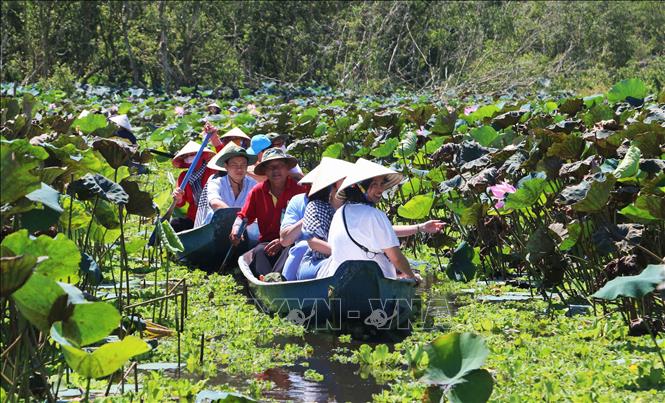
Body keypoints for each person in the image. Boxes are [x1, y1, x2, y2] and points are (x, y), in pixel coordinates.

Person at [317, 158, 444, 281]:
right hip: (375, 285)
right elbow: (396, 258)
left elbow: (379, 232)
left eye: (382, 183)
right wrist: (412, 277)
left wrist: (420, 227)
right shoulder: (374, 215)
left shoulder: (339, 213)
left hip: (341, 283)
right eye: (374, 184)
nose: (380, 189)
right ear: (360, 188)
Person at [231, 148, 308, 276]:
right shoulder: (258, 191)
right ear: (265, 171)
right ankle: (267, 279)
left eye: (280, 166)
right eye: (271, 167)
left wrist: (282, 241)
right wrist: (236, 229)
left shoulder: (300, 190)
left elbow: (309, 220)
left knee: (291, 249)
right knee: (259, 251)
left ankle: (276, 279)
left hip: (293, 240)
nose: (276, 171)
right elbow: (244, 216)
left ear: (287, 169)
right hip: (267, 243)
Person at [279, 157, 338, 281]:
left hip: (332, 252)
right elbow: (284, 240)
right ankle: (286, 282)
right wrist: (307, 218)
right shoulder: (299, 202)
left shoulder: (339, 203)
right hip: (308, 256)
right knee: (302, 246)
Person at [295, 158, 353, 280]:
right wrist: (347, 255)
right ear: (332, 183)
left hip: (352, 261)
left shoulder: (354, 207)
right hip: (318, 262)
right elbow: (313, 242)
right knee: (342, 267)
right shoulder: (315, 206)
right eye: (344, 178)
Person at [193, 142, 258, 228]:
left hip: (244, 228)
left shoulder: (253, 184)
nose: (239, 168)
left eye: (243, 164)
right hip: (216, 228)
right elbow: (215, 202)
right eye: (234, 165)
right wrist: (236, 221)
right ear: (226, 166)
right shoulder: (215, 183)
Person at [170, 140, 216, 232]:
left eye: (192, 155)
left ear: (201, 155)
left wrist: (215, 138)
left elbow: (224, 158)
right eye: (185, 156)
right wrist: (178, 198)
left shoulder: (212, 169)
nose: (188, 158)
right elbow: (180, 203)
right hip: (194, 217)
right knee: (174, 224)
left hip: (214, 215)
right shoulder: (183, 176)